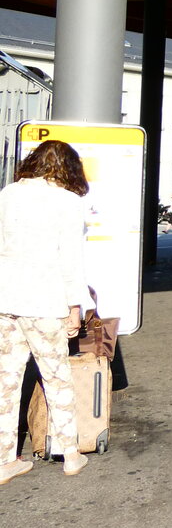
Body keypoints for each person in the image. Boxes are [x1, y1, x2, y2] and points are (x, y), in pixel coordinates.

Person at [0, 140, 93, 484]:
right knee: (56, 378)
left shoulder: (8, 194)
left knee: (6, 382)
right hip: (45, 301)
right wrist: (75, 307)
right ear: (69, 168)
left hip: (6, 300)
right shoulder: (67, 201)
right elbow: (70, 260)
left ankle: (4, 460)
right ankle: (71, 455)